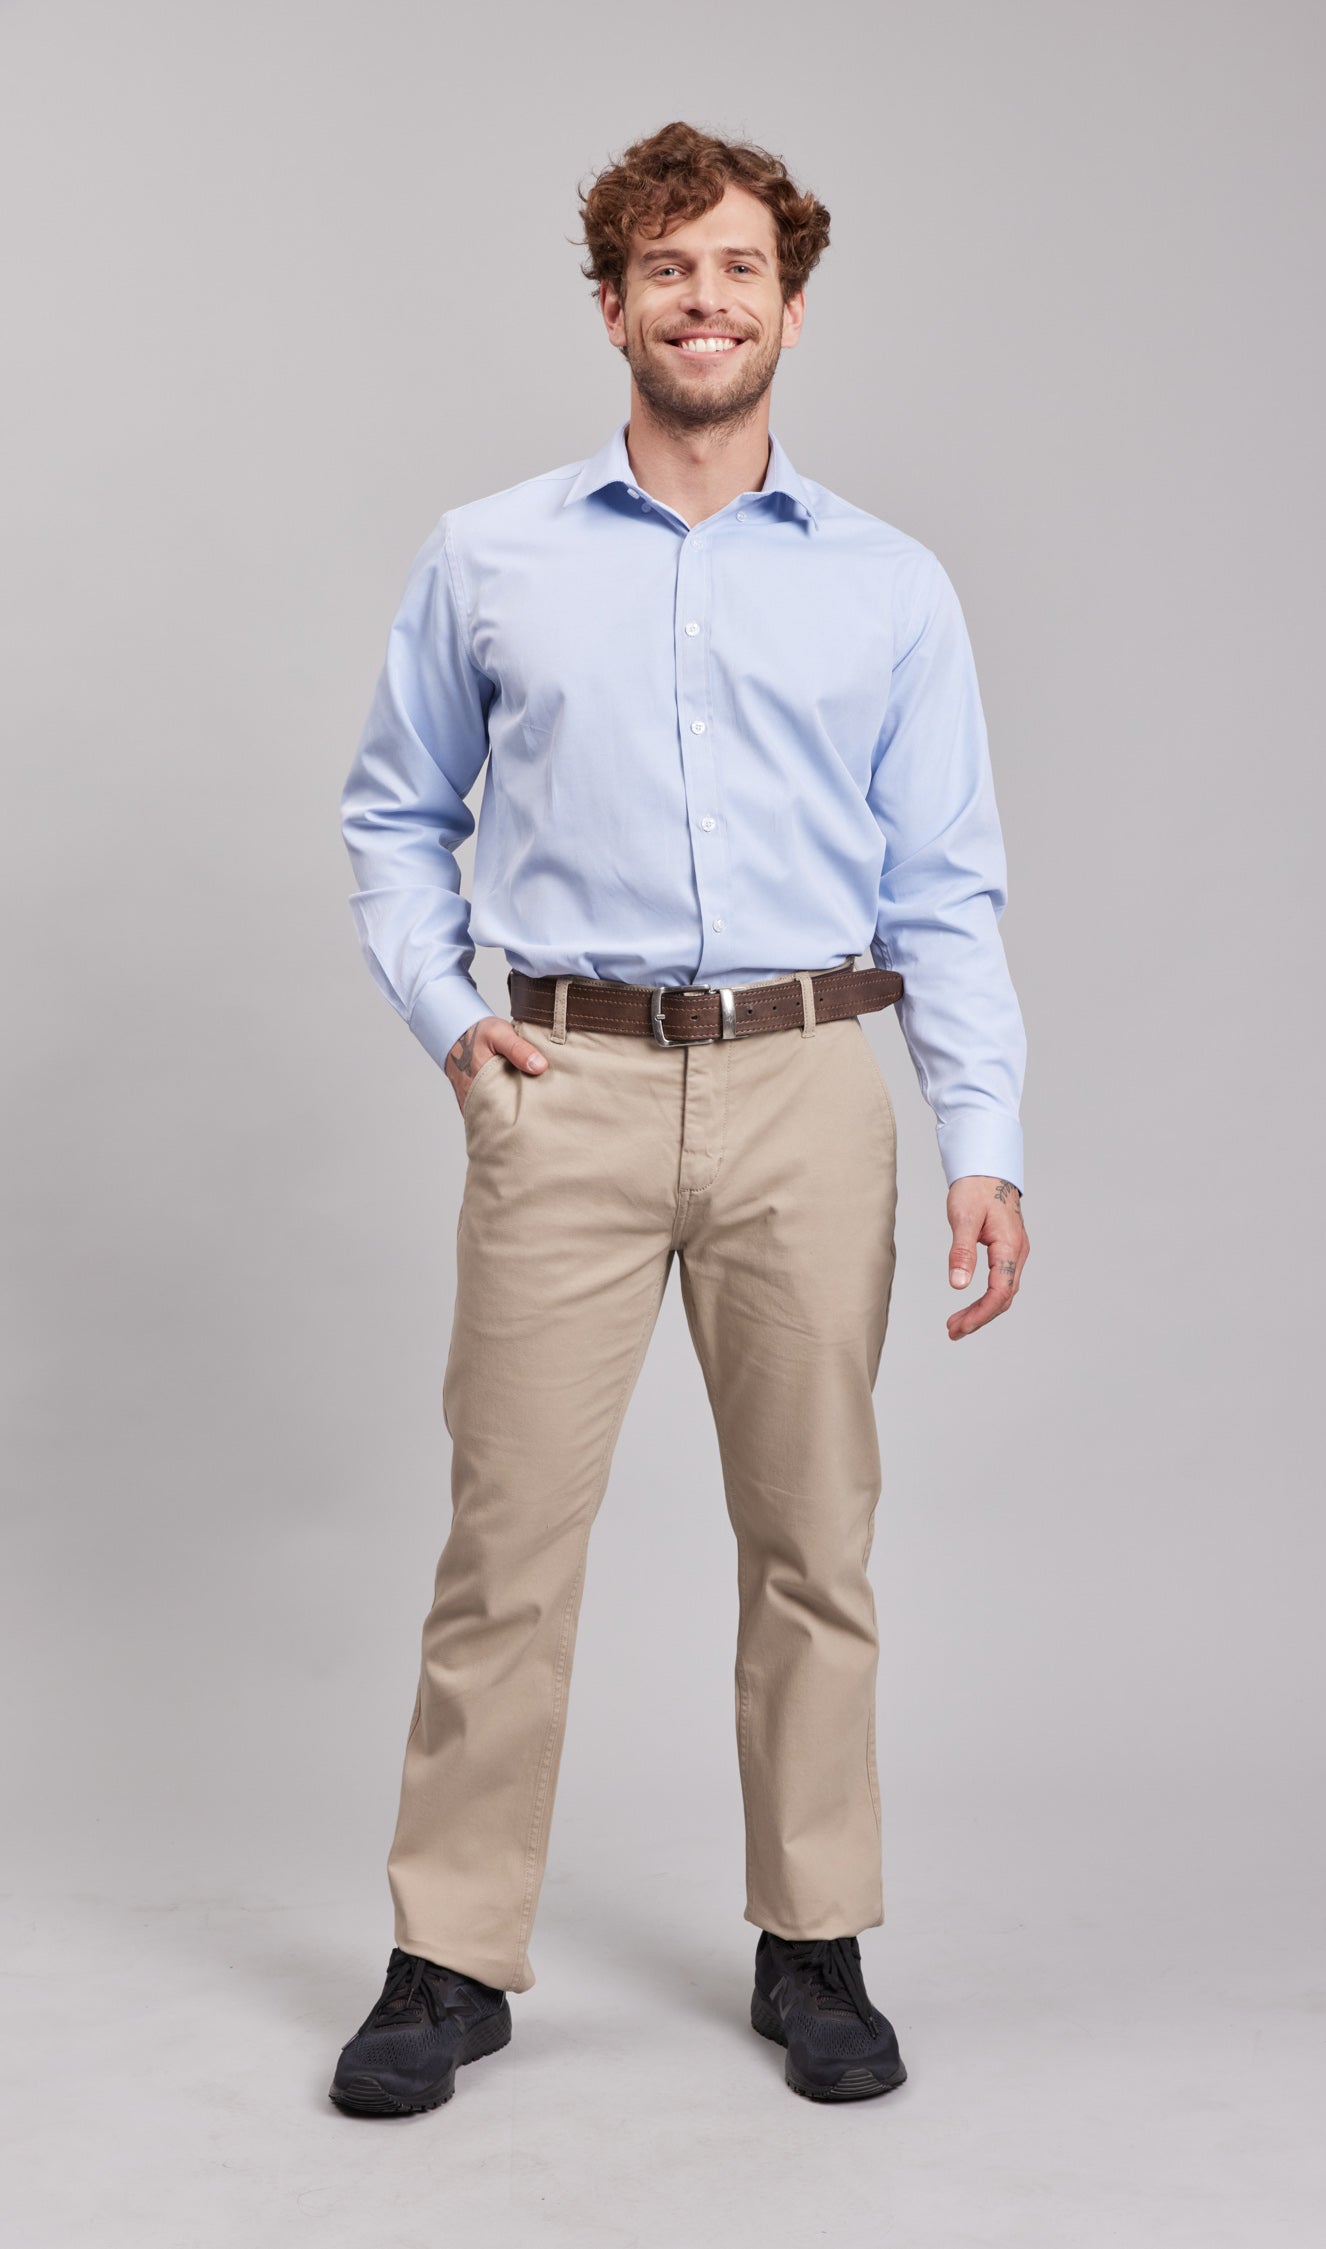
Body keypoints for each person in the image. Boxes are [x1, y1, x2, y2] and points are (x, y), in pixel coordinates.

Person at [330, 119, 1029, 2116]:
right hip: (568, 1087)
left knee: (815, 1537)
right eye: (666, 269)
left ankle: (816, 1942)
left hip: (811, 1084)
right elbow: (394, 815)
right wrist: (454, 1024)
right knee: (506, 1540)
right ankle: (448, 1958)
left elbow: (946, 884)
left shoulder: (890, 585)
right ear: (612, 306)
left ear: (791, 307)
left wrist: (982, 1139)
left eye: (737, 269)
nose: (703, 300)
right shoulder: (491, 554)